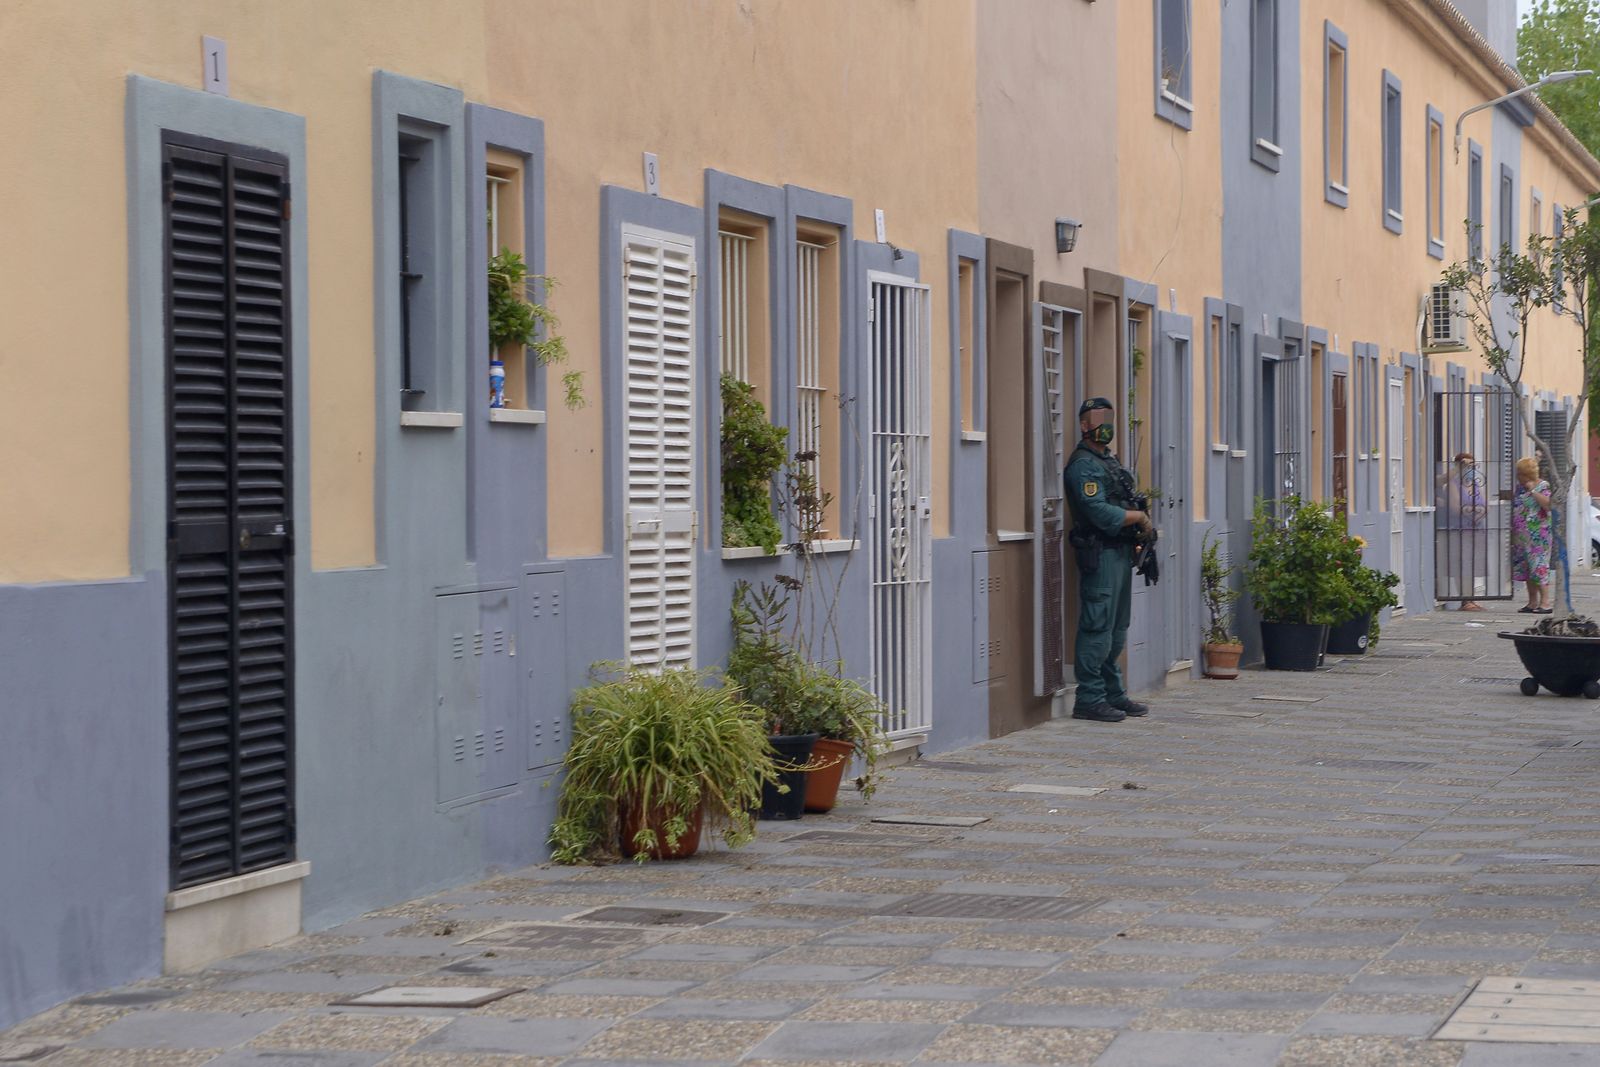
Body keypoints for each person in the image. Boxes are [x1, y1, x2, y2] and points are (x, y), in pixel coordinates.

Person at [1063, 397, 1154, 723]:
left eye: (1109, 417)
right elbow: (1097, 511)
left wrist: (1141, 527)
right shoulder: (1083, 465)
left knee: (1116, 630)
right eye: (1099, 418)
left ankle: (1113, 693)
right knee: (1097, 626)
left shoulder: (1109, 462)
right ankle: (1089, 697)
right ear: (1085, 425)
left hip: (1119, 553)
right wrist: (1138, 518)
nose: (1106, 424)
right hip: (1100, 554)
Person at [1435, 452, 1486, 611]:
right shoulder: (1453, 484)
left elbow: (1485, 506)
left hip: (1476, 528)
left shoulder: (1477, 484)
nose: (1470, 469)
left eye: (1473, 466)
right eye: (1467, 465)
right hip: (1459, 529)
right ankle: (1465, 600)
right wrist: (1473, 510)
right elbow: (1455, 508)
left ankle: (1470, 598)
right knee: (1461, 564)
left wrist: (1476, 512)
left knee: (1473, 565)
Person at [1511, 455, 1554, 614]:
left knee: (1539, 567)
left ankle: (1545, 602)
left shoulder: (1542, 485)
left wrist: (1533, 490)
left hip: (1539, 536)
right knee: (1527, 568)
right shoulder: (1519, 487)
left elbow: (1548, 505)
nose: (1517, 476)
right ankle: (1532, 602)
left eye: (1519, 473)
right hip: (1522, 535)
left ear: (1525, 474)